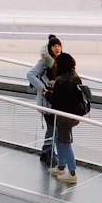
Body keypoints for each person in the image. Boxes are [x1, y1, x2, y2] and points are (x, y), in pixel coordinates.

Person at [48, 52, 87, 186]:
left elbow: (56, 102)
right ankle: (60, 167)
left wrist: (47, 93)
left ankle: (72, 173)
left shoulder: (61, 81)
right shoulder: (75, 77)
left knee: (64, 143)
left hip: (64, 117)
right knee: (61, 140)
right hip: (74, 115)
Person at [27, 34, 63, 164]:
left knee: (53, 128)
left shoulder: (60, 60)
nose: (57, 48)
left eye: (59, 45)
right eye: (54, 46)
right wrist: (42, 88)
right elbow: (30, 74)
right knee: (53, 128)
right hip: (46, 101)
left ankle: (46, 152)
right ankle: (49, 153)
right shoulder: (44, 61)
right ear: (50, 47)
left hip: (56, 100)